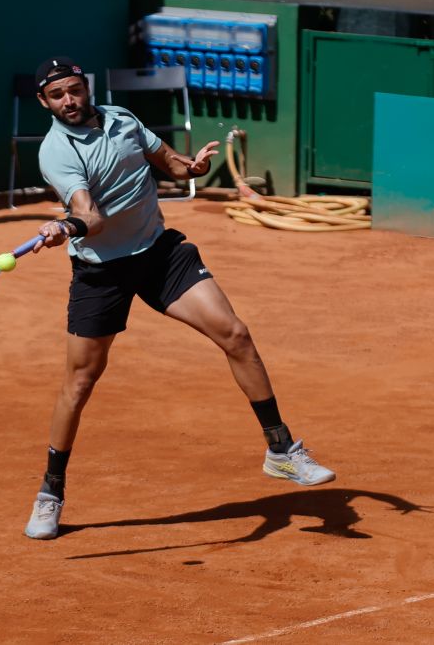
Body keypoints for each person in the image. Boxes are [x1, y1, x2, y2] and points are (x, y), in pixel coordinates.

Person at [23, 57, 336, 541]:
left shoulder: (122, 118)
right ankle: (51, 492)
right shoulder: (56, 152)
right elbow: (91, 214)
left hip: (159, 254)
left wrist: (192, 166)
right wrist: (68, 225)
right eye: (58, 95)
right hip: (101, 273)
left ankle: (281, 451)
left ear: (86, 88)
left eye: (75, 90)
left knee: (235, 333)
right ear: (44, 102)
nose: (70, 100)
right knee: (80, 382)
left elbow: (165, 159)